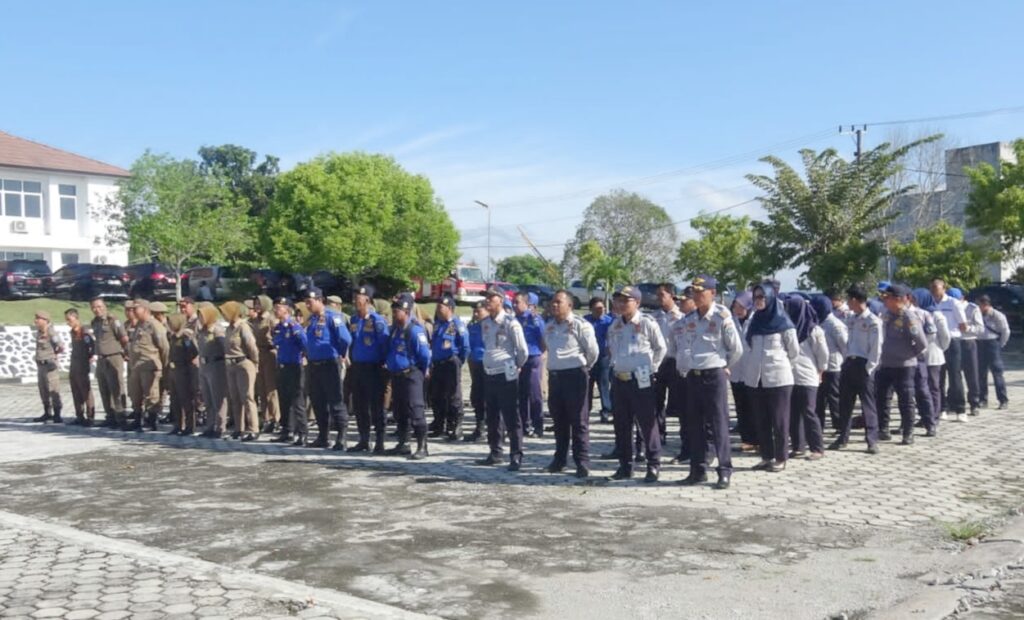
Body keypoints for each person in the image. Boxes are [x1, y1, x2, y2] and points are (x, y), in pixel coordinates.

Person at [674, 275, 743, 489]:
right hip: (693, 375)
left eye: (700, 291)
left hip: (714, 375)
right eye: (694, 292)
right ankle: (698, 470)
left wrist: (724, 366)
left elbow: (736, 349)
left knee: (718, 424)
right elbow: (682, 346)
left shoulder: (722, 317)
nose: (696, 295)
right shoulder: (688, 319)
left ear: (712, 293)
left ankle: (724, 470)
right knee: (695, 425)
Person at [606, 285, 666, 482]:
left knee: (647, 423)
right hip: (620, 379)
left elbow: (660, 348)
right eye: (619, 300)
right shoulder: (615, 325)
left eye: (626, 300)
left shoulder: (647, 323)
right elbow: (612, 349)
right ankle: (625, 466)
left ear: (637, 303)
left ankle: (653, 464)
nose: (621, 304)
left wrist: (651, 368)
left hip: (641, 379)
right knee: (622, 425)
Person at [742, 283, 799, 472]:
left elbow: (794, 352)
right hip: (756, 378)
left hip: (778, 378)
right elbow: (748, 345)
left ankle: (781, 458)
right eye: (755, 297)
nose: (758, 301)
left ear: (770, 298)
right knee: (761, 420)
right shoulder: (754, 322)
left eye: (761, 297)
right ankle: (767, 456)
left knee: (779, 420)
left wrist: (782, 366)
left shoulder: (784, 323)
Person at [544, 289, 599, 478]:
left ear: (569, 305)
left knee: (578, 421)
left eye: (558, 302)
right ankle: (559, 460)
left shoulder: (580, 325)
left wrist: (583, 367)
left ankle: (582, 462)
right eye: (553, 301)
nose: (554, 305)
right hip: (555, 377)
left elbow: (592, 352)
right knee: (559, 421)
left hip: (575, 376)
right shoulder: (549, 326)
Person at [478, 288, 528, 470]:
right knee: (492, 416)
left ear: (500, 300)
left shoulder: (510, 323)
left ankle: (516, 455)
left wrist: (516, 366)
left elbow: (522, 350)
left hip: (506, 373)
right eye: (486, 298)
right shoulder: (485, 323)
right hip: (489, 373)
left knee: (511, 416)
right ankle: (495, 452)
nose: (487, 301)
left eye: (491, 297)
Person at [828, 285, 882, 454]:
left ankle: (872, 440)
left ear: (854, 300)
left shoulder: (873, 321)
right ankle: (843, 437)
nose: (847, 303)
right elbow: (847, 342)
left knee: (868, 405)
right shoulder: (850, 319)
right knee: (845, 404)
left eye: (849, 299)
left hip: (864, 365)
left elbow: (876, 348)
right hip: (849, 363)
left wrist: (869, 368)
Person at [875, 284, 928, 444]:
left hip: (904, 365)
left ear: (897, 299)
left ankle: (908, 433)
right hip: (885, 363)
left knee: (906, 400)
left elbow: (921, 342)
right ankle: (883, 429)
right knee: (882, 398)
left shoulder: (909, 317)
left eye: (887, 298)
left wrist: (909, 354)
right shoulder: (885, 315)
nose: (884, 300)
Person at [303, 287, 352, 450]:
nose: (307, 305)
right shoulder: (312, 319)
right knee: (318, 401)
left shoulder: (333, 317)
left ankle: (342, 437)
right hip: (314, 365)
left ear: (319, 300)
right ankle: (323, 436)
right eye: (306, 302)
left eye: (310, 302)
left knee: (335, 400)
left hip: (329, 363)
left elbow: (345, 338)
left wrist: (341, 353)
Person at [385, 293, 432, 459]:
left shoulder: (414, 330)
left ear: (406, 312)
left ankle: (422, 446)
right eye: (393, 311)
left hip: (411, 374)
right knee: (400, 411)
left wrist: (422, 371)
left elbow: (424, 355)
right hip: (397, 375)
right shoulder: (395, 330)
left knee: (415, 409)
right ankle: (403, 443)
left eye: (396, 311)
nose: (394, 314)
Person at [344, 284, 390, 453]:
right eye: (354, 298)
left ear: (367, 300)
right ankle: (363, 439)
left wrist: (383, 364)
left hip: (374, 367)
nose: (355, 301)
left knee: (376, 405)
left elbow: (385, 344)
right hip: (358, 367)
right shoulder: (354, 320)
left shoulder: (377, 321)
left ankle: (379, 440)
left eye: (358, 298)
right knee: (359, 405)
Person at [785, 296, 828, 460]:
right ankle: (798, 446)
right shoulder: (787, 328)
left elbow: (823, 353)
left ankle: (817, 448)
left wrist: (821, 369)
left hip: (808, 375)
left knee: (809, 412)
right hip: (790, 376)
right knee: (793, 413)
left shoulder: (814, 330)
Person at [430, 293, 469, 442]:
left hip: (451, 362)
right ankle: (439, 424)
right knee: (437, 395)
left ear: (450, 308)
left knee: (453, 395)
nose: (438, 309)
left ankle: (455, 425)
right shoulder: (438, 324)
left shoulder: (457, 325)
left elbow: (465, 346)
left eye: (441, 307)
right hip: (438, 363)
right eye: (438, 307)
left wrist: (458, 361)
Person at [127, 300, 169, 432]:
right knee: (135, 394)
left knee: (151, 395)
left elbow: (164, 347)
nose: (133, 311)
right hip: (136, 366)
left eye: (136, 308)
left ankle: (152, 420)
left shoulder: (154, 325)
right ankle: (137, 419)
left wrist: (164, 366)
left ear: (145, 309)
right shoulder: (139, 325)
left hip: (149, 366)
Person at [220, 300, 260, 441]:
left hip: (243, 363)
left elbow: (252, 347)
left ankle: (253, 429)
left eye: (225, 313)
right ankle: (239, 428)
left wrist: (255, 363)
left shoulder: (243, 327)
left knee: (247, 397)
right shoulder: (229, 328)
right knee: (235, 398)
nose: (224, 316)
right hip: (231, 365)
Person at [912, 289, 950, 434]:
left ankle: (934, 415)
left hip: (933, 355)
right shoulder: (916, 313)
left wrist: (940, 348)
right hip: (919, 356)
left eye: (916, 299)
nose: (914, 302)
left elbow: (945, 336)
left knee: (933, 387)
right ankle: (924, 416)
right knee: (920, 388)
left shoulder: (936, 315)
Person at [931, 278, 968, 422]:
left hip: (952, 341)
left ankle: (960, 409)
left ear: (944, 288)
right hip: (937, 342)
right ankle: (942, 408)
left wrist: (950, 332)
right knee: (939, 376)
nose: (934, 290)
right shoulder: (930, 303)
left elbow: (963, 325)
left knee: (955, 375)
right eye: (932, 288)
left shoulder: (953, 303)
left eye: (936, 287)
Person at [271, 297, 307, 444]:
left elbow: (304, 343)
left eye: (279, 307)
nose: (276, 310)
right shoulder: (279, 327)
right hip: (282, 366)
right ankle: (287, 430)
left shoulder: (294, 326)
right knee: (284, 400)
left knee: (297, 401)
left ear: (287, 309)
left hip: (294, 366)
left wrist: (304, 357)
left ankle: (302, 432)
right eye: (275, 307)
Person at [810, 294, 848, 434]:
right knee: (819, 399)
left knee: (834, 398)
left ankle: (839, 426)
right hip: (819, 367)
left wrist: (845, 365)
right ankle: (818, 426)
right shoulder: (816, 323)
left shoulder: (835, 325)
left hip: (833, 367)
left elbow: (845, 347)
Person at [652, 283, 683, 446]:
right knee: (656, 400)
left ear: (672, 295)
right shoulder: (653, 317)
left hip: (675, 362)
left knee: (680, 402)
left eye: (662, 295)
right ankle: (659, 434)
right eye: (657, 295)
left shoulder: (681, 316)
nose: (658, 298)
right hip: (658, 362)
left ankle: (684, 437)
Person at [89, 298, 128, 428]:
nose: (97, 309)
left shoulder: (113, 320)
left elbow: (123, 338)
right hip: (101, 358)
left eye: (99, 306)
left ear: (105, 306)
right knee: (104, 388)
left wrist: (125, 352)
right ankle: (110, 416)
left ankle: (121, 417)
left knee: (116, 388)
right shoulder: (95, 322)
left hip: (113, 357)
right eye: (94, 307)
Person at [514, 292, 546, 437]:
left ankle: (538, 425)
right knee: (521, 394)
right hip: (518, 360)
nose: (514, 305)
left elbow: (543, 339)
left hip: (532, 357)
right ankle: (524, 424)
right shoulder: (514, 320)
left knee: (534, 393)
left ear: (526, 304)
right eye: (513, 302)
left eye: (517, 302)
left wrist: (540, 354)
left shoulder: (534, 319)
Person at [730, 292, 758, 452]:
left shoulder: (756, 320)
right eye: (735, 306)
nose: (738, 310)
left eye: (741, 306)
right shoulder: (730, 321)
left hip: (752, 369)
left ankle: (758, 439)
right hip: (735, 369)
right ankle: (747, 439)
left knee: (754, 407)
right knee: (741, 406)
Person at [197, 303, 229, 439]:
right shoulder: (202, 331)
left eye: (202, 316)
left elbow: (224, 347)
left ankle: (220, 427)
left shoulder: (217, 330)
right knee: (208, 399)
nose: (200, 319)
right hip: (204, 365)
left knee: (218, 398)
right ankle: (209, 426)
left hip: (216, 365)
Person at [950, 288, 984, 417]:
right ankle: (955, 403)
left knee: (972, 374)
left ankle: (974, 403)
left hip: (968, 342)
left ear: (962, 297)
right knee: (954, 375)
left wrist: (967, 328)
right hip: (954, 342)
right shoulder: (948, 307)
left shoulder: (972, 308)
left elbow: (980, 328)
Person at [251, 295, 280, 435]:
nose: (256, 306)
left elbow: (277, 337)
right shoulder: (255, 320)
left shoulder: (271, 319)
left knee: (270, 389)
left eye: (259, 303)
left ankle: (276, 418)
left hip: (269, 353)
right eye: (255, 303)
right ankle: (266, 418)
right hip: (259, 354)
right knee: (261, 388)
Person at [166, 313, 199, 435]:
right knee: (175, 399)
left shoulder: (185, 337)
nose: (169, 325)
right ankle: (178, 425)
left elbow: (193, 352)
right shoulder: (172, 337)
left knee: (186, 399)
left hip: (183, 370)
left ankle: (189, 426)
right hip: (173, 370)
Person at [976, 295, 1010, 410]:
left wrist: (1000, 344)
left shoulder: (997, 315)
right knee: (981, 373)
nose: (978, 307)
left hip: (992, 343)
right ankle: (983, 399)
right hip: (980, 343)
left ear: (985, 304)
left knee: (997, 373)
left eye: (979, 305)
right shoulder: (977, 314)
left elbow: (1005, 331)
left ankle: (1003, 399)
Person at [584, 296, 614, 424]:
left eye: (602, 308)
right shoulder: (585, 321)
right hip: (588, 357)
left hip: (603, 357)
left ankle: (606, 411)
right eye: (597, 308)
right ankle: (586, 410)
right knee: (587, 386)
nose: (600, 310)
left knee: (603, 385)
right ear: (591, 309)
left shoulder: (609, 322)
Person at [64, 309, 95, 426]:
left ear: (76, 318)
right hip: (74, 364)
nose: (68, 322)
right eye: (67, 320)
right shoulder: (73, 332)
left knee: (85, 391)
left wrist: (90, 356)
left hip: (82, 364)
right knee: (75, 391)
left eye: (69, 320)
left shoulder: (84, 333)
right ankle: (79, 415)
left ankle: (90, 417)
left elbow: (92, 345)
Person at [465, 301, 488, 442]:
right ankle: (479, 428)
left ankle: (491, 428)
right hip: (475, 365)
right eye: (474, 311)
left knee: (488, 398)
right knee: (476, 397)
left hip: (487, 365)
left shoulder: (491, 327)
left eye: (478, 311)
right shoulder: (472, 327)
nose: (475, 314)